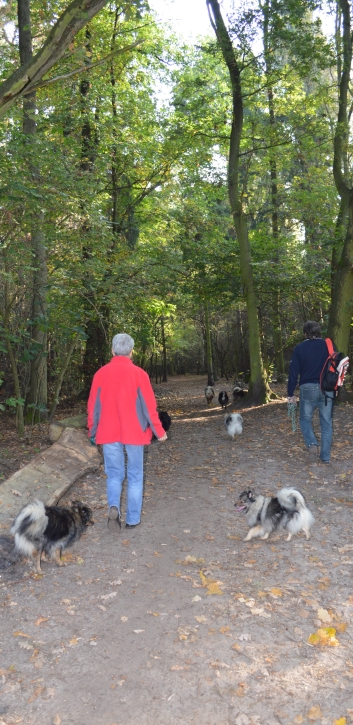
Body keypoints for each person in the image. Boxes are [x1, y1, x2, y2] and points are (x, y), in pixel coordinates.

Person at [87, 333, 167, 529]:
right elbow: (149, 407)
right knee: (135, 475)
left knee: (114, 474)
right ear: (131, 352)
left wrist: (92, 430)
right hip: (135, 433)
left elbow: (93, 407)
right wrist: (159, 430)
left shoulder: (100, 374)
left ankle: (114, 506)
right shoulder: (139, 374)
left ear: (112, 351)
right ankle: (132, 519)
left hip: (108, 432)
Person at [287, 321, 334, 464]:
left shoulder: (300, 348)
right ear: (318, 332)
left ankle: (312, 444)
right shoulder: (328, 345)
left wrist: (290, 394)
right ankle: (325, 457)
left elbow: (293, 373)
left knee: (304, 419)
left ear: (305, 333)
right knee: (326, 423)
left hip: (307, 388)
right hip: (327, 388)